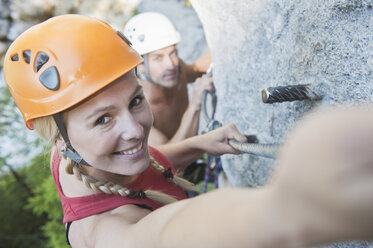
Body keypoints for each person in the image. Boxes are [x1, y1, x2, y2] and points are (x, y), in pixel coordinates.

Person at [3, 14, 373, 248]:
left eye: (135, 101)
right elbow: (167, 234)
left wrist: (200, 144)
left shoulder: (73, 156)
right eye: (103, 119)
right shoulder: (106, 233)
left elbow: (144, 163)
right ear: (59, 139)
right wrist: (294, 210)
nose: (135, 130)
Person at [124, 12, 214, 146]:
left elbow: (198, 69)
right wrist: (195, 104)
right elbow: (167, 160)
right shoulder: (139, 110)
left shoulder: (178, 71)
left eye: (173, 53)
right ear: (140, 65)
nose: (171, 64)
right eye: (158, 58)